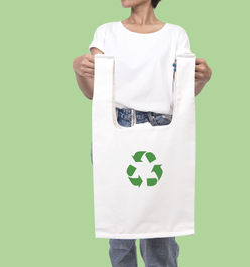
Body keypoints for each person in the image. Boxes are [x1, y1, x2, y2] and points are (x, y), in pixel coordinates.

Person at [73, 0, 212, 266]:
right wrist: (79, 71)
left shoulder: (175, 35)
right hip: (116, 132)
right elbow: (93, 92)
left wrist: (202, 79)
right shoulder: (107, 33)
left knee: (160, 233)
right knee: (120, 230)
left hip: (163, 137)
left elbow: (181, 94)